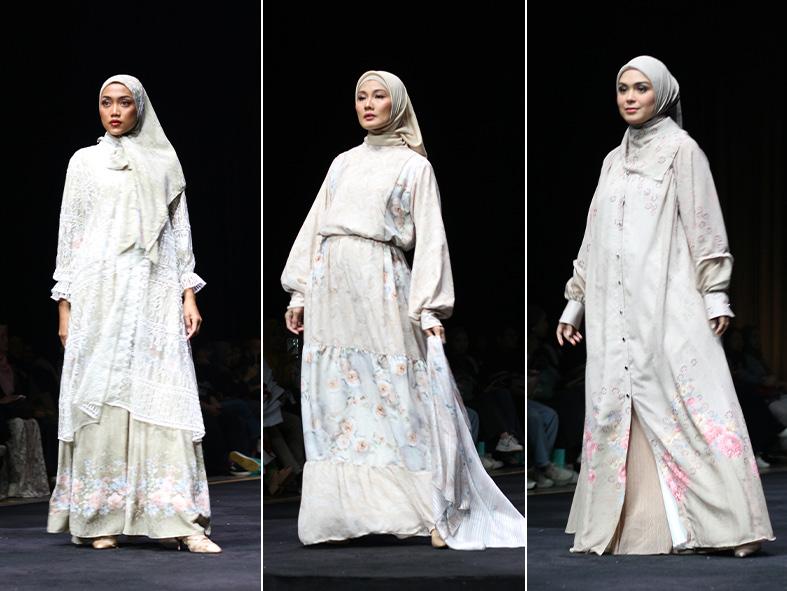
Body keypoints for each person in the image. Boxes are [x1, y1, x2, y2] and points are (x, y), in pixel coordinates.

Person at [281, 70, 525, 549]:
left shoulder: (415, 167)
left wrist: (430, 310)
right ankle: (345, 514)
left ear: (397, 104)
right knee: (337, 397)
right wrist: (300, 292)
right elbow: (315, 226)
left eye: (379, 96)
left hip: (381, 282)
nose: (369, 104)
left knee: (397, 391)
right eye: (361, 97)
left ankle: (427, 509)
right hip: (332, 286)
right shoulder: (343, 162)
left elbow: (431, 238)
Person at [556, 56, 773, 557]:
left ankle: (731, 526)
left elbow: (704, 223)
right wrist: (574, 302)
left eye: (641, 88)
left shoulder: (682, 149)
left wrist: (715, 293)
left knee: (690, 403)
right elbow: (593, 236)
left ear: (663, 94)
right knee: (619, 405)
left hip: (668, 302)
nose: (630, 97)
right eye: (622, 89)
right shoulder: (612, 161)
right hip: (614, 309)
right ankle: (649, 527)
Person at [46, 75, 220, 553]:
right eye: (106, 102)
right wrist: (65, 306)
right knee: (101, 395)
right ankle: (98, 517)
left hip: (151, 287)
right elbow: (71, 234)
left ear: (139, 107)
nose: (115, 111)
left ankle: (180, 520)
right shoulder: (83, 162)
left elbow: (178, 233)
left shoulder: (163, 162)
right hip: (99, 289)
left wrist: (188, 294)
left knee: (160, 393)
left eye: (124, 103)